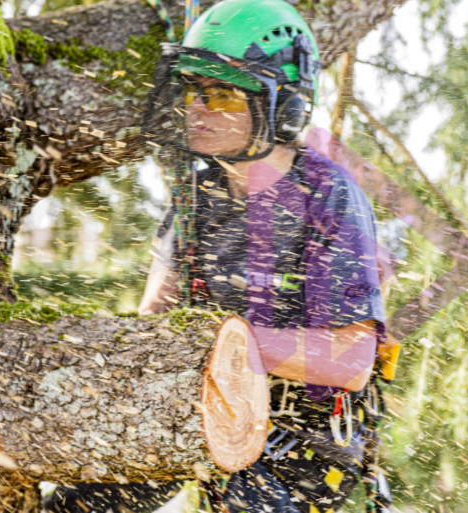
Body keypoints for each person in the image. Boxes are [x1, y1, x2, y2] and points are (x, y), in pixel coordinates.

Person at [44, 0, 396, 511]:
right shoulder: (194, 198)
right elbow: (155, 319)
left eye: (223, 94)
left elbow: (349, 360)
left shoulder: (328, 199)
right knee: (80, 503)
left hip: (302, 442)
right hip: (202, 411)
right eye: (193, 90)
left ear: (285, 108)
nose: (198, 108)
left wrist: (231, 343)